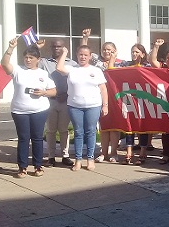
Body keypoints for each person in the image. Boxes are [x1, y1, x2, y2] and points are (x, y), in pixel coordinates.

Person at [1, 38, 56, 178]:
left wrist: (44, 93)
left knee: (37, 138)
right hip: (20, 111)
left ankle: (38, 166)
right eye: (26, 57)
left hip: (39, 110)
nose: (28, 60)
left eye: (31, 57)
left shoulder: (43, 74)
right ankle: (22, 167)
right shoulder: (18, 70)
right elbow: (5, 64)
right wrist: (10, 48)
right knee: (23, 138)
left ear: (38, 59)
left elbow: (54, 91)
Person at [56, 45, 108, 171]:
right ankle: (78, 160)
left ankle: (90, 159)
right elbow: (59, 67)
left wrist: (105, 105)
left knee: (91, 132)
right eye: (80, 54)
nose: (83, 57)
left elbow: (103, 88)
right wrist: (64, 52)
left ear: (90, 56)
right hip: (75, 106)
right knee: (79, 132)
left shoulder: (96, 71)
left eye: (85, 55)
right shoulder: (72, 69)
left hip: (93, 105)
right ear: (77, 55)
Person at [81, 29, 126, 163]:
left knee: (114, 126)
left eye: (110, 49)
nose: (107, 51)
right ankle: (103, 153)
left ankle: (114, 152)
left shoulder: (122, 63)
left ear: (115, 50)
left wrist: (113, 59)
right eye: (105, 49)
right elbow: (85, 51)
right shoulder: (96, 61)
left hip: (116, 97)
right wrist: (85, 38)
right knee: (104, 126)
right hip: (99, 97)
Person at [37, 38, 77, 167]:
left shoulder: (72, 63)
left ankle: (65, 155)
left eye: (59, 46)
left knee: (64, 130)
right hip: (50, 100)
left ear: (64, 48)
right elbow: (33, 66)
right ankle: (51, 156)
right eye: (54, 47)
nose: (56, 49)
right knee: (50, 130)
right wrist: (37, 48)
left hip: (65, 100)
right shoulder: (44, 62)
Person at [122, 43, 152, 165]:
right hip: (129, 98)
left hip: (143, 99)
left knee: (142, 125)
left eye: (137, 52)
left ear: (143, 54)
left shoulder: (148, 66)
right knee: (129, 124)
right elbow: (111, 69)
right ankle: (129, 151)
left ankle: (143, 151)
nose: (134, 54)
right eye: (132, 52)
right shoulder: (126, 65)